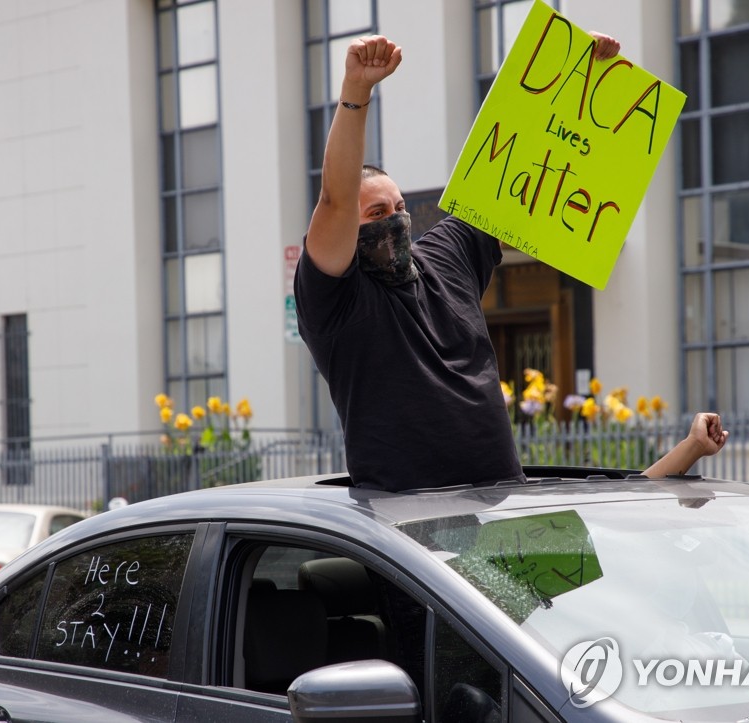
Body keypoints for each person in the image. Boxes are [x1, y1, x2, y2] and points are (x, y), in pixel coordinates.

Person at [295, 34, 727, 492]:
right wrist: (356, 92)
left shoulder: (446, 257)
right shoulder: (335, 299)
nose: (396, 220)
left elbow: (524, 167)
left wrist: (578, 73)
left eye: (400, 207)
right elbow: (336, 199)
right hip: (405, 535)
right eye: (377, 214)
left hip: (504, 511)